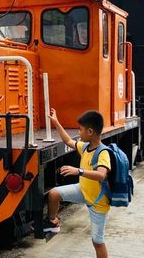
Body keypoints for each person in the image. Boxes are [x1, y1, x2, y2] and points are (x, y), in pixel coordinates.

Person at [44, 108, 111, 258]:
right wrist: (56, 122)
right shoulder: (85, 147)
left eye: (80, 130)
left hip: (97, 202)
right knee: (54, 194)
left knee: (97, 241)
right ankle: (54, 222)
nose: (78, 133)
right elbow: (68, 141)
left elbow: (101, 175)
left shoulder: (103, 152)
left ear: (90, 132)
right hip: (83, 190)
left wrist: (78, 171)